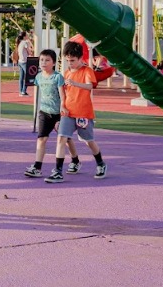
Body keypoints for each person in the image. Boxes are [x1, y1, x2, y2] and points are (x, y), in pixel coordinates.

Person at [46, 39, 109, 183]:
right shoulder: (67, 73)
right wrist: (62, 106)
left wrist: (75, 83)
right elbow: (65, 92)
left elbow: (89, 86)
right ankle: (58, 171)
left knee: (88, 141)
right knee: (62, 138)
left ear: (81, 58)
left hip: (83, 113)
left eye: (73, 60)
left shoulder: (87, 71)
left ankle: (100, 164)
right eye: (68, 60)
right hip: (68, 112)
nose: (70, 63)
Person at [25, 49, 65, 178]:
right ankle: (37, 167)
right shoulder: (38, 77)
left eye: (47, 60)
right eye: (41, 60)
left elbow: (63, 96)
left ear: (54, 63)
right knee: (42, 139)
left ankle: (75, 160)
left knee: (66, 140)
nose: (43, 62)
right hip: (44, 112)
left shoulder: (58, 77)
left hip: (58, 114)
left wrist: (63, 111)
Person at [15, 31, 32, 96]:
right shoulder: (25, 42)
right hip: (24, 61)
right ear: (24, 36)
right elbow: (30, 52)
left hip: (20, 61)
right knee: (28, 76)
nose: (28, 36)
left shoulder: (20, 43)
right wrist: (30, 43)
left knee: (21, 77)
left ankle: (21, 91)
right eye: (27, 35)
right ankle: (23, 91)